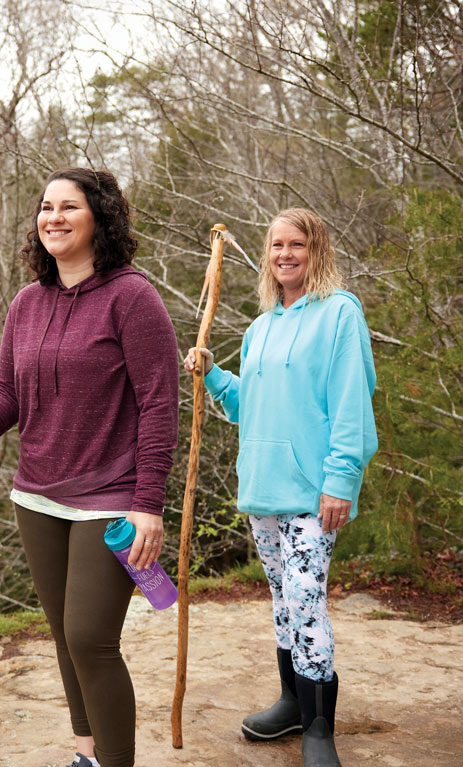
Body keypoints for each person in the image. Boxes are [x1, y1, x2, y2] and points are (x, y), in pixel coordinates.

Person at [0, 168, 179, 767]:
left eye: (70, 207)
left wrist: (149, 504)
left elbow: (159, 404)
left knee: (91, 638)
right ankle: (87, 754)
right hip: (37, 497)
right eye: (46, 207)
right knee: (66, 639)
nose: (54, 218)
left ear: (101, 218)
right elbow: (7, 397)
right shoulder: (27, 303)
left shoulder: (132, 297)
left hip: (111, 498)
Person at [185, 208, 377, 767]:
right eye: (276, 245)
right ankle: (294, 701)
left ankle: (319, 727)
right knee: (282, 600)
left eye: (297, 244)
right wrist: (214, 376)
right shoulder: (261, 325)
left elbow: (350, 405)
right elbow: (254, 406)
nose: (285, 254)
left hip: (315, 491)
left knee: (306, 600)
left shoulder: (340, 315)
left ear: (317, 251)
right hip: (263, 488)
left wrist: (340, 480)